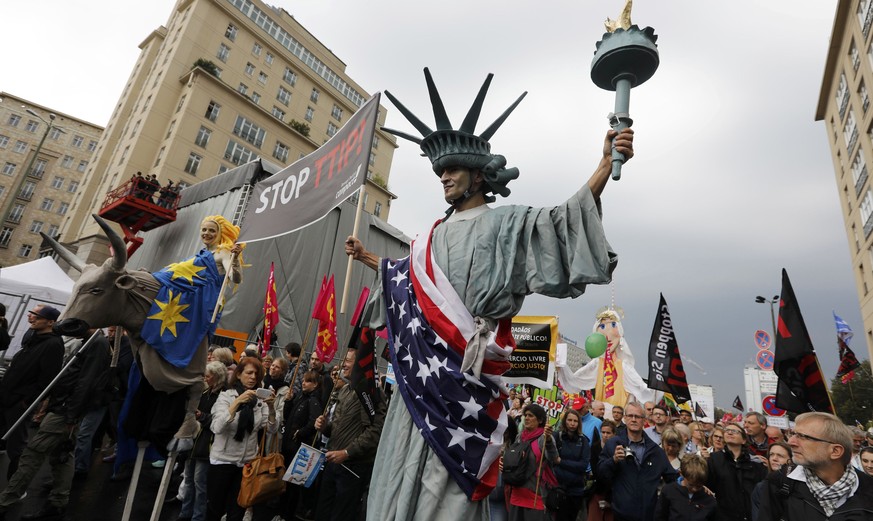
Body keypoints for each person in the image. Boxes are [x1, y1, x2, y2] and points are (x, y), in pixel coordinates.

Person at [345, 69, 634, 519]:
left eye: (453, 170)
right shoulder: (431, 235)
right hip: (420, 386)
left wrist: (602, 165)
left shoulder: (506, 223)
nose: (444, 178)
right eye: (441, 171)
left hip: (467, 380)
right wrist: (369, 261)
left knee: (447, 492)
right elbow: (404, 278)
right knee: (398, 470)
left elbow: (560, 222)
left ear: (478, 176)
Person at [0, 327, 111, 520]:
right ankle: (58, 501)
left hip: (65, 409)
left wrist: (70, 414)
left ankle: (5, 501)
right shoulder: (90, 342)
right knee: (62, 455)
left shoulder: (97, 344)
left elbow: (86, 382)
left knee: (33, 453)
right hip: (65, 407)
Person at [313, 348, 387, 521]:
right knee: (322, 512)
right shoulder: (346, 389)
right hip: (332, 462)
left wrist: (347, 453)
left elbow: (375, 431)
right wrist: (324, 427)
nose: (343, 364)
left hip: (352, 468)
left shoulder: (372, 394)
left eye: (347, 360)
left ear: (361, 364)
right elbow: (338, 425)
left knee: (341, 515)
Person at [758, 412, 873, 520]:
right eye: (793, 434)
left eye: (802, 436)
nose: (791, 442)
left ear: (835, 451)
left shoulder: (868, 487)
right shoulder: (779, 483)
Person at [206, 358, 277, 521]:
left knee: (237, 510)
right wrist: (237, 402)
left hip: (246, 465)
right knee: (214, 509)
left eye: (257, 374)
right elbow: (216, 427)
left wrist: (272, 407)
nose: (253, 377)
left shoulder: (260, 401)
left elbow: (272, 429)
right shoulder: (226, 396)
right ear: (238, 374)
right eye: (249, 373)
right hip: (222, 462)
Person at [0, 304, 64, 479]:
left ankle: (16, 484)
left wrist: (26, 401)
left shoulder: (53, 344)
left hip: (20, 401)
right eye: (31, 313)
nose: (31, 317)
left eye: (36, 315)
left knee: (16, 444)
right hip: (7, 395)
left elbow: (47, 378)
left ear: (50, 322)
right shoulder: (33, 336)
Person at [557, 310, 654, 414]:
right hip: (600, 422)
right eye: (602, 327)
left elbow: (645, 392)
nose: (608, 334)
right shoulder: (597, 365)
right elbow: (572, 382)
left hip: (620, 421)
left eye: (613, 325)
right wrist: (558, 349)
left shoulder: (624, 367)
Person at [598, 401, 678, 521]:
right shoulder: (613, 444)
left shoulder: (655, 451)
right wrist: (613, 460)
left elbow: (672, 478)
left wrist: (692, 483)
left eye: (638, 416)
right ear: (625, 418)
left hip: (648, 515)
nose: (634, 419)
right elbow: (601, 474)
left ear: (644, 420)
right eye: (630, 416)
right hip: (621, 514)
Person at [178, 361, 227, 521]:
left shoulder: (222, 396)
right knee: (189, 480)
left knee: (199, 483)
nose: (206, 377)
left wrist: (201, 416)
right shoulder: (206, 392)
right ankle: (185, 513)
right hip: (194, 442)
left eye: (209, 374)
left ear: (217, 377)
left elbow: (218, 421)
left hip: (206, 444)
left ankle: (197, 517)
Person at [276, 369, 323, 521]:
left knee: (293, 486)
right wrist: (289, 401)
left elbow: (314, 422)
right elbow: (288, 416)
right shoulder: (301, 397)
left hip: (298, 448)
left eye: (308, 381)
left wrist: (300, 433)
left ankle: (287, 515)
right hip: (289, 446)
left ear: (315, 385)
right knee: (285, 483)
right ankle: (281, 512)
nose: (303, 382)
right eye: (303, 380)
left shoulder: (313, 401)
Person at [504, 404, 559, 521]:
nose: (526, 418)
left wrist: (548, 440)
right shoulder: (520, 437)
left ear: (540, 420)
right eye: (525, 415)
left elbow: (554, 458)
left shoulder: (544, 438)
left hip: (535, 494)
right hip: (517, 493)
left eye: (531, 415)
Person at [706, 423, 767, 521]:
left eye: (734, 431)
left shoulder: (755, 462)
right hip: (723, 515)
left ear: (743, 440)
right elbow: (708, 487)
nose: (730, 432)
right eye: (727, 430)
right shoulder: (714, 459)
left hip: (750, 514)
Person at [553, 408, 591, 521]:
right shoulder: (557, 437)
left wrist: (561, 462)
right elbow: (552, 459)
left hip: (575, 490)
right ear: (565, 421)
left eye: (575, 421)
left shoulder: (583, 440)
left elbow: (583, 465)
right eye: (570, 420)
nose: (572, 423)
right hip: (558, 487)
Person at [655, 454, 717, 521]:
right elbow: (660, 517)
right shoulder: (668, 491)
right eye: (691, 485)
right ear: (681, 474)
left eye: (699, 486)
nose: (695, 489)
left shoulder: (709, 499)